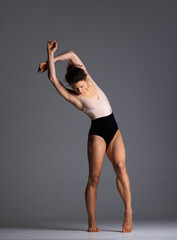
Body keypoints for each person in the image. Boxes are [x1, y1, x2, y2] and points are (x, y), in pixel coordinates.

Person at [38, 40, 133, 233]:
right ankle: (91, 221)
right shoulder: (75, 98)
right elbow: (53, 80)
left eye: (81, 86)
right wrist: (48, 57)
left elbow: (72, 54)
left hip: (114, 130)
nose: (80, 90)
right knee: (93, 180)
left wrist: (53, 60)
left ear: (85, 80)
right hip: (97, 134)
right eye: (76, 88)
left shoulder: (89, 79)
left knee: (121, 167)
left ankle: (128, 211)